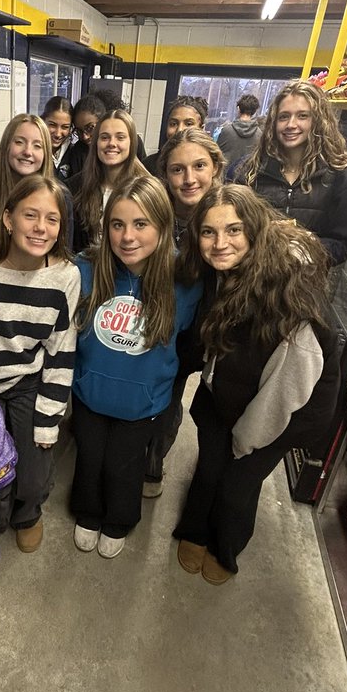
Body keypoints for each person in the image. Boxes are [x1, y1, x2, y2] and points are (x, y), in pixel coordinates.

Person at [173, 185, 340, 584]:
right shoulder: (218, 274)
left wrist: (245, 440)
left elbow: (284, 393)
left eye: (233, 230)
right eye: (208, 232)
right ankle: (193, 530)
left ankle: (225, 549)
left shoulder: (291, 295)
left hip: (283, 410)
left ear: (255, 229)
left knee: (237, 487)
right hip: (225, 393)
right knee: (210, 470)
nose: (219, 244)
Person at [70, 177, 201, 558]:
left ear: (161, 227)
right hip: (90, 394)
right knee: (90, 459)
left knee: (123, 467)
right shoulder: (86, 269)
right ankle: (87, 512)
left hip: (144, 402)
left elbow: (191, 342)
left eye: (140, 224)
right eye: (118, 224)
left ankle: (120, 519)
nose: (128, 236)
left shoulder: (185, 280)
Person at [0, 174, 80, 553]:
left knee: (32, 477)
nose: (40, 228)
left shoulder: (64, 276)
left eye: (52, 219)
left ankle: (28, 513)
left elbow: (61, 352)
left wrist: (48, 421)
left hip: (27, 382)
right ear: (8, 218)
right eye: (31, 215)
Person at [142, 127, 225, 498]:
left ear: (216, 167)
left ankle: (153, 461)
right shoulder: (154, 211)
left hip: (200, 330)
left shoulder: (228, 214)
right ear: (165, 174)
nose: (189, 178)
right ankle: (137, 455)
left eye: (199, 166)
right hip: (151, 322)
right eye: (177, 169)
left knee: (173, 396)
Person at [232, 80, 347, 266]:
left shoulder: (337, 174)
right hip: (253, 282)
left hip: (305, 286)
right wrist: (260, 239)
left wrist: (309, 247)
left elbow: (343, 242)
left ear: (318, 121)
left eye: (302, 116)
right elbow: (230, 230)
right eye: (283, 117)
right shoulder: (249, 170)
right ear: (273, 123)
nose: (291, 124)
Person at [0, 113, 73, 245]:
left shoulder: (61, 196)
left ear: (46, 153)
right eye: (19, 142)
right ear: (6, 145)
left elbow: (63, 254)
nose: (28, 152)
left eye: (37, 146)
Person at [71, 108, 149, 251]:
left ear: (132, 142)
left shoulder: (148, 188)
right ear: (96, 143)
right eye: (105, 137)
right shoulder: (76, 187)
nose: (111, 143)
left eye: (120, 137)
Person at [143, 95, 208, 175]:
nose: (180, 129)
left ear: (201, 129)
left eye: (188, 124)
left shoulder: (208, 164)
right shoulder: (148, 165)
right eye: (173, 124)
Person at [216, 93, 262, 167]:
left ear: (238, 108)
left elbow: (216, 155)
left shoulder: (226, 130)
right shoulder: (259, 135)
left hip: (224, 176)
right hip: (246, 176)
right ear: (254, 111)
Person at [67, 93, 105, 180]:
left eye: (90, 127)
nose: (84, 137)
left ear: (102, 121)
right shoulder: (77, 152)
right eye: (79, 131)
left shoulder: (128, 143)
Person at [42, 95, 75, 181]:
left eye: (65, 127)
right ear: (43, 121)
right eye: (52, 125)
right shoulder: (33, 151)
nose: (57, 134)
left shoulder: (75, 153)